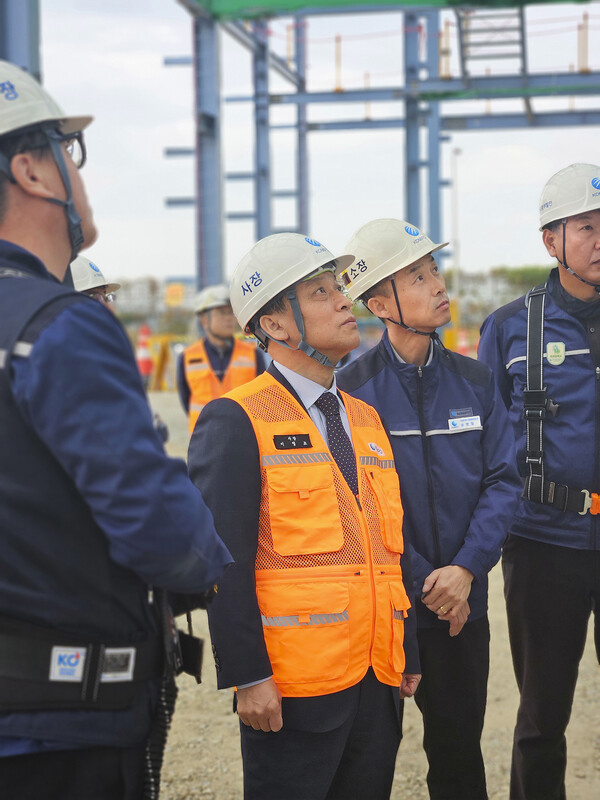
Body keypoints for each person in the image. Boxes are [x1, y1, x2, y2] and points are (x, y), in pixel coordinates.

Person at [0, 60, 231, 799]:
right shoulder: (61, 328)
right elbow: (159, 527)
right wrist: (210, 563)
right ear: (32, 170)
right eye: (70, 152)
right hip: (62, 721)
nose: (78, 172)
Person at [188, 232, 421, 800]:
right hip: (292, 689)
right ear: (276, 325)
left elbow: (387, 545)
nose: (345, 301)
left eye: (339, 288)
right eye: (321, 293)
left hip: (376, 679)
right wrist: (247, 674)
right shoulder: (236, 418)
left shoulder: (364, 418)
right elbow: (223, 562)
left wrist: (406, 647)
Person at [336, 218, 521, 800]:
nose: (438, 284)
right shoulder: (350, 389)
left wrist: (465, 571)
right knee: (368, 765)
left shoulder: (474, 380)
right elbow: (357, 502)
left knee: (460, 756)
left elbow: (503, 480)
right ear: (378, 302)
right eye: (417, 276)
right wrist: (424, 579)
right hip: (383, 607)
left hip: (462, 606)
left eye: (434, 270)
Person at [478, 162, 600, 800]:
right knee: (541, 717)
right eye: (587, 227)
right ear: (551, 240)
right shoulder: (507, 329)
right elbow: (487, 446)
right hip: (543, 542)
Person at [70, 253, 170, 443]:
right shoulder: (67, 362)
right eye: (98, 298)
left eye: (107, 297)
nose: (109, 306)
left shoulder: (108, 355)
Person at [176, 283, 266, 434]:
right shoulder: (187, 357)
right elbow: (186, 400)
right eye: (222, 312)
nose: (229, 318)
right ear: (204, 320)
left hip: (244, 435)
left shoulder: (253, 354)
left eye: (231, 313)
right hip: (203, 437)